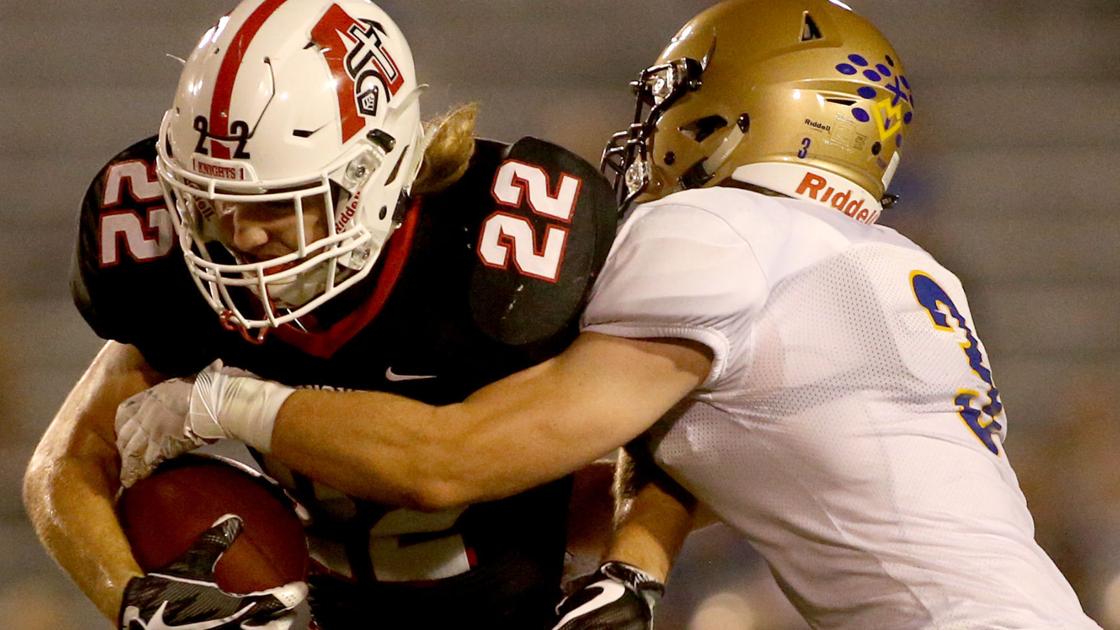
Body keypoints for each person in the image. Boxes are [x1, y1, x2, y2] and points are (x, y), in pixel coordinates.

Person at [109, 0, 1106, 628]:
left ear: (737, 115)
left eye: (674, 103)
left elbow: (454, 458)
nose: (647, 135)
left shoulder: (721, 232)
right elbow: (731, 449)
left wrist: (221, 404)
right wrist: (639, 557)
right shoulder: (896, 267)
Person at [22, 0, 619, 628]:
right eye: (209, 200)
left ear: (372, 175)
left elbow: (442, 466)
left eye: (278, 204)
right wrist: (132, 600)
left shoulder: (496, 251)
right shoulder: (182, 269)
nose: (240, 237)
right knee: (164, 503)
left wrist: (633, 569)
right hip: (314, 611)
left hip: (520, 612)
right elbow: (65, 463)